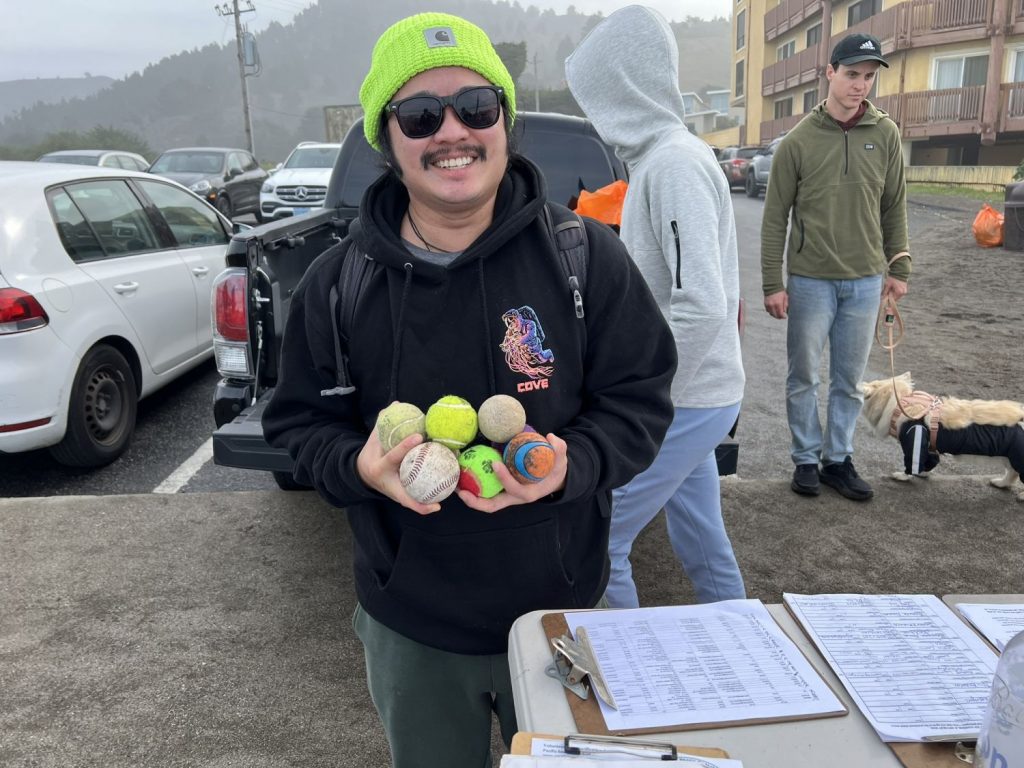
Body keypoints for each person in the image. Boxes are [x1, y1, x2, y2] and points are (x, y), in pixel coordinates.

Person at [261, 12, 677, 768]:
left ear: (504, 122)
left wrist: (568, 464)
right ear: (389, 140)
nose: (451, 131)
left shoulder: (587, 259)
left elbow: (640, 399)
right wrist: (358, 469)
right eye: (420, 115)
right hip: (411, 624)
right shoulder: (337, 284)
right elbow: (296, 424)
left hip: (561, 612)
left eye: (475, 107)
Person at [565, 5, 747, 607]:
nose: (593, 115)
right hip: (699, 392)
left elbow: (702, 303)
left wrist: (645, 394)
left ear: (621, 87)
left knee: (601, 534)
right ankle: (739, 644)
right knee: (700, 535)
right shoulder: (658, 162)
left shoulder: (673, 164)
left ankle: (622, 681)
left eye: (594, 96)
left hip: (688, 397)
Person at [761, 32, 911, 501]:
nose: (860, 86)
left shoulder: (886, 134)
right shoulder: (798, 141)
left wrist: (899, 268)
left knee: (848, 382)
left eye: (868, 77)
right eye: (851, 75)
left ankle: (837, 460)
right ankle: (806, 458)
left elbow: (894, 207)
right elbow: (774, 217)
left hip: (865, 281)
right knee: (803, 375)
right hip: (810, 280)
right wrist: (773, 282)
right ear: (829, 73)